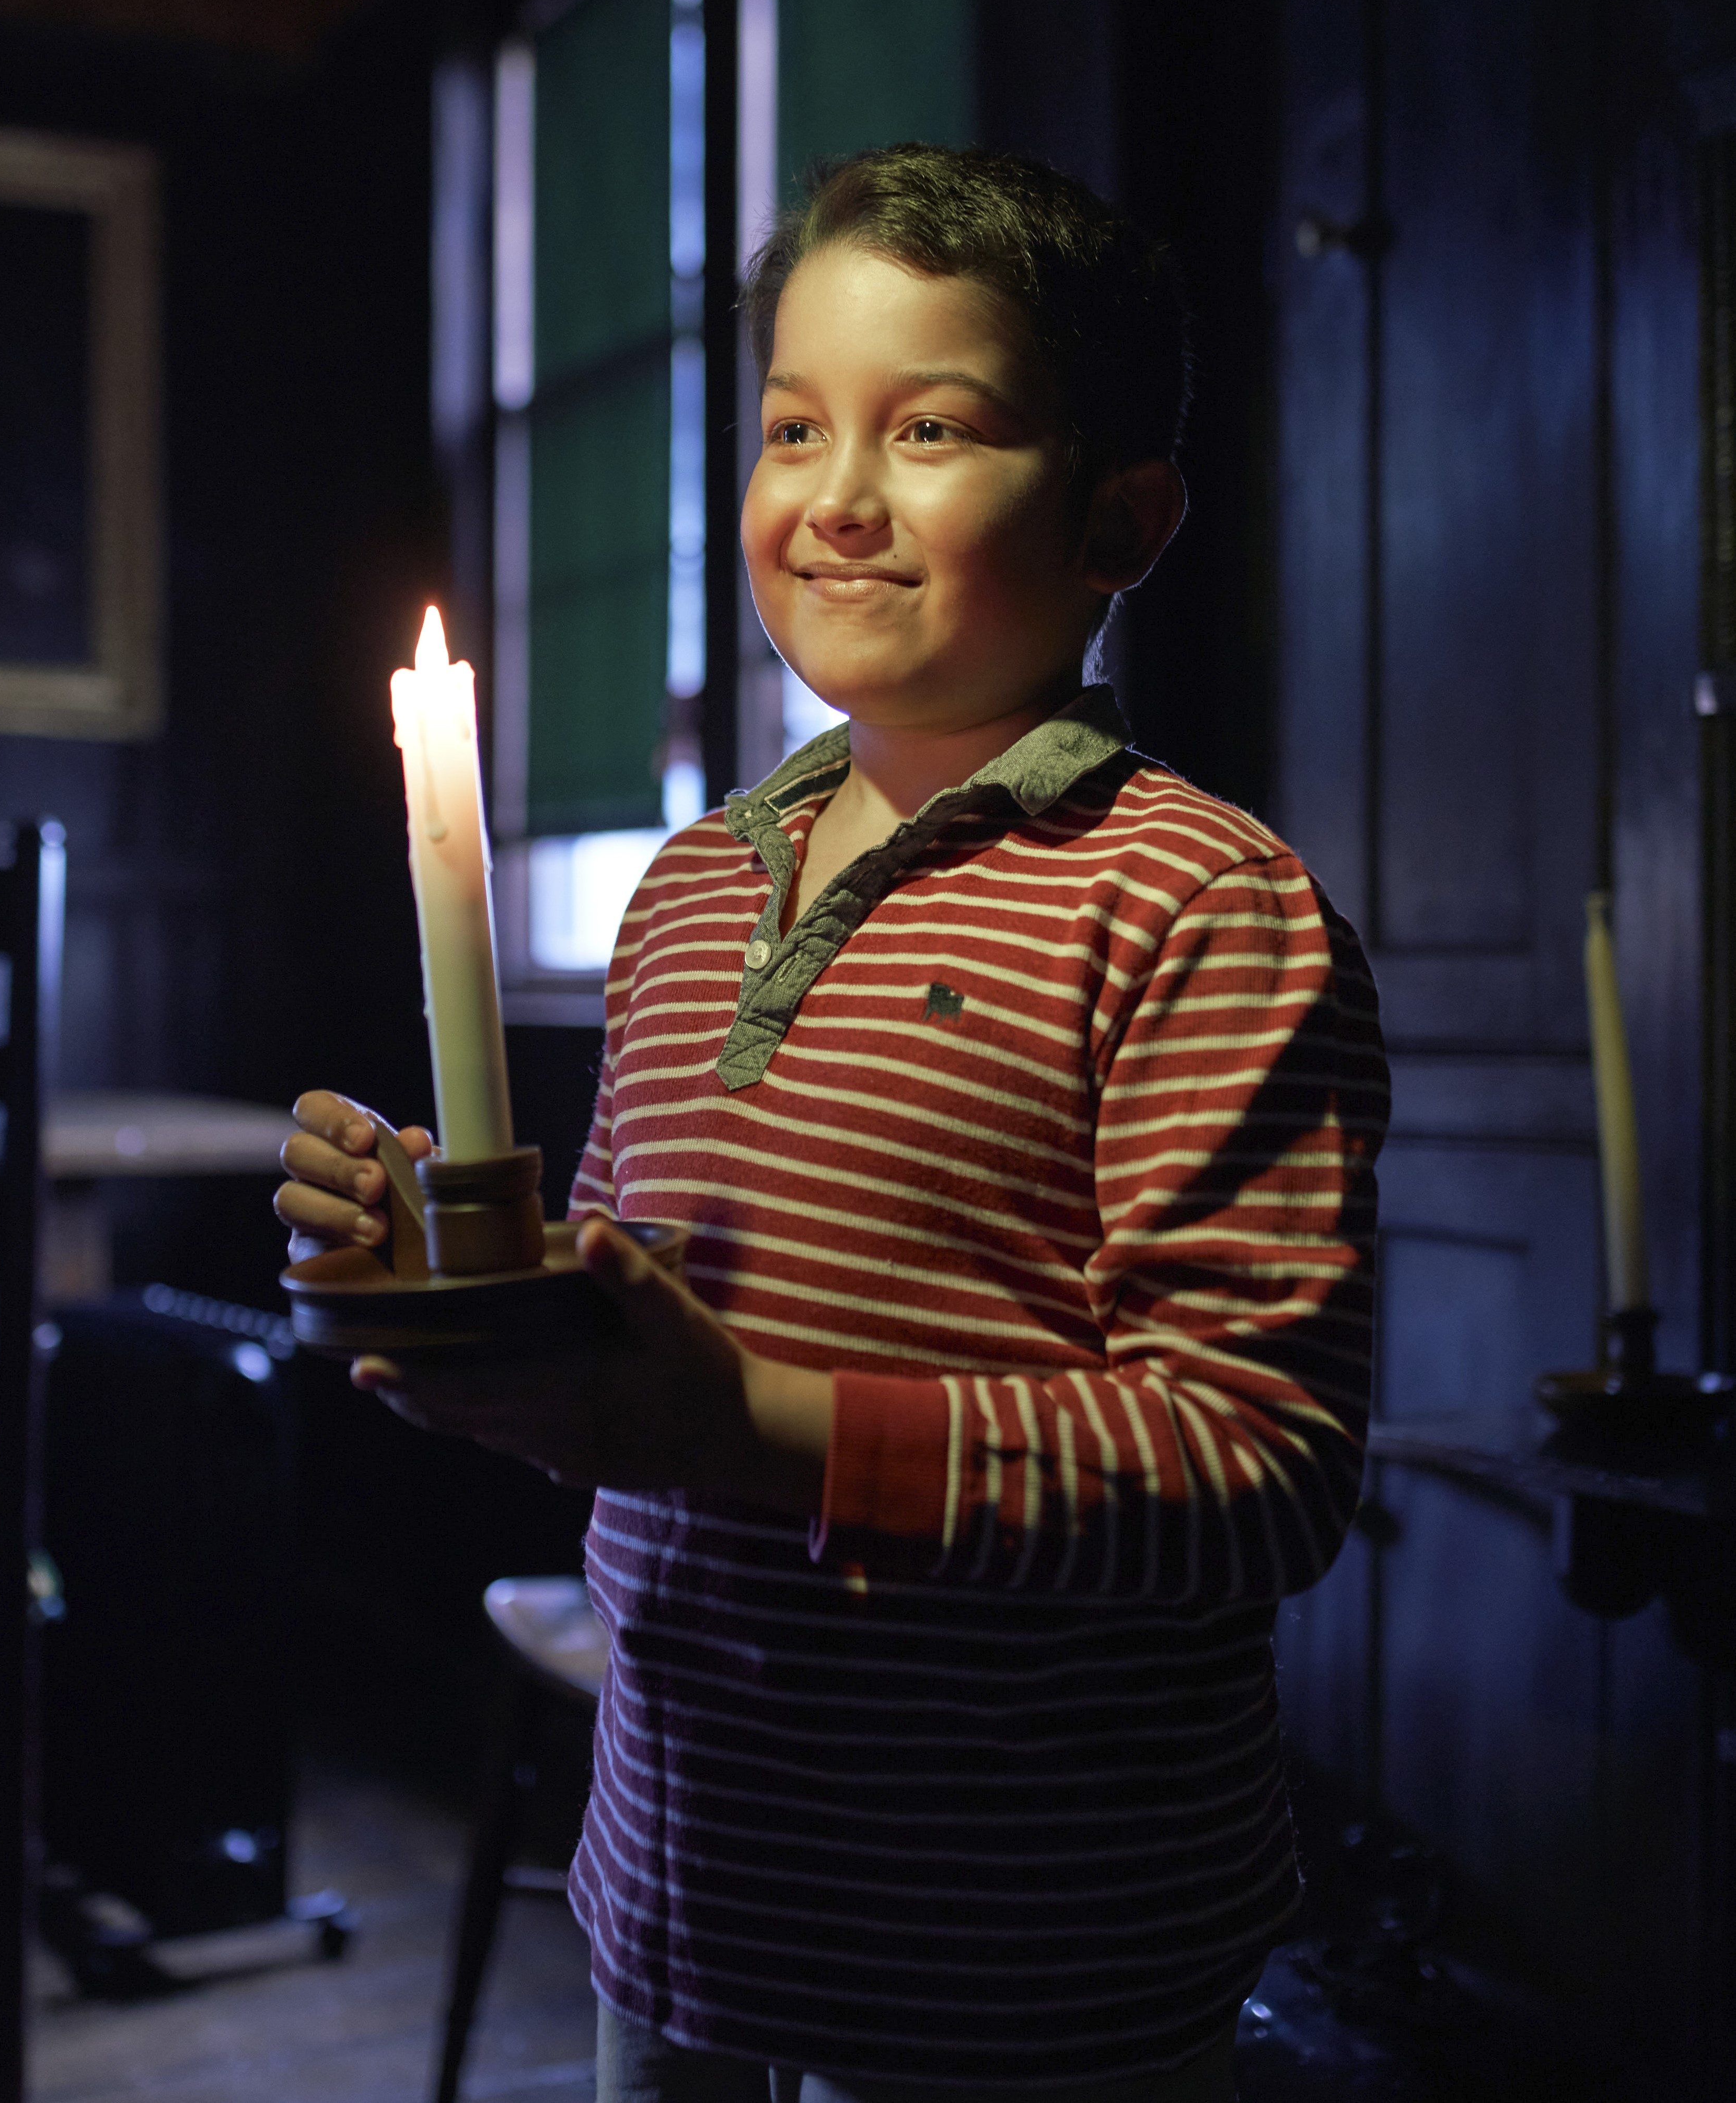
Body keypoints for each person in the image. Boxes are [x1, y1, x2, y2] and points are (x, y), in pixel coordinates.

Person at [277, 145, 1388, 2102]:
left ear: (1122, 515)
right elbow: (629, 1343)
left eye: (933, 428)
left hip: (1023, 1945)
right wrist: (454, 1278)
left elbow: (1255, 1467)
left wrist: (761, 1431)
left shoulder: (1191, 903)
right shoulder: (695, 891)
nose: (839, 500)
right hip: (684, 1883)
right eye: (794, 427)